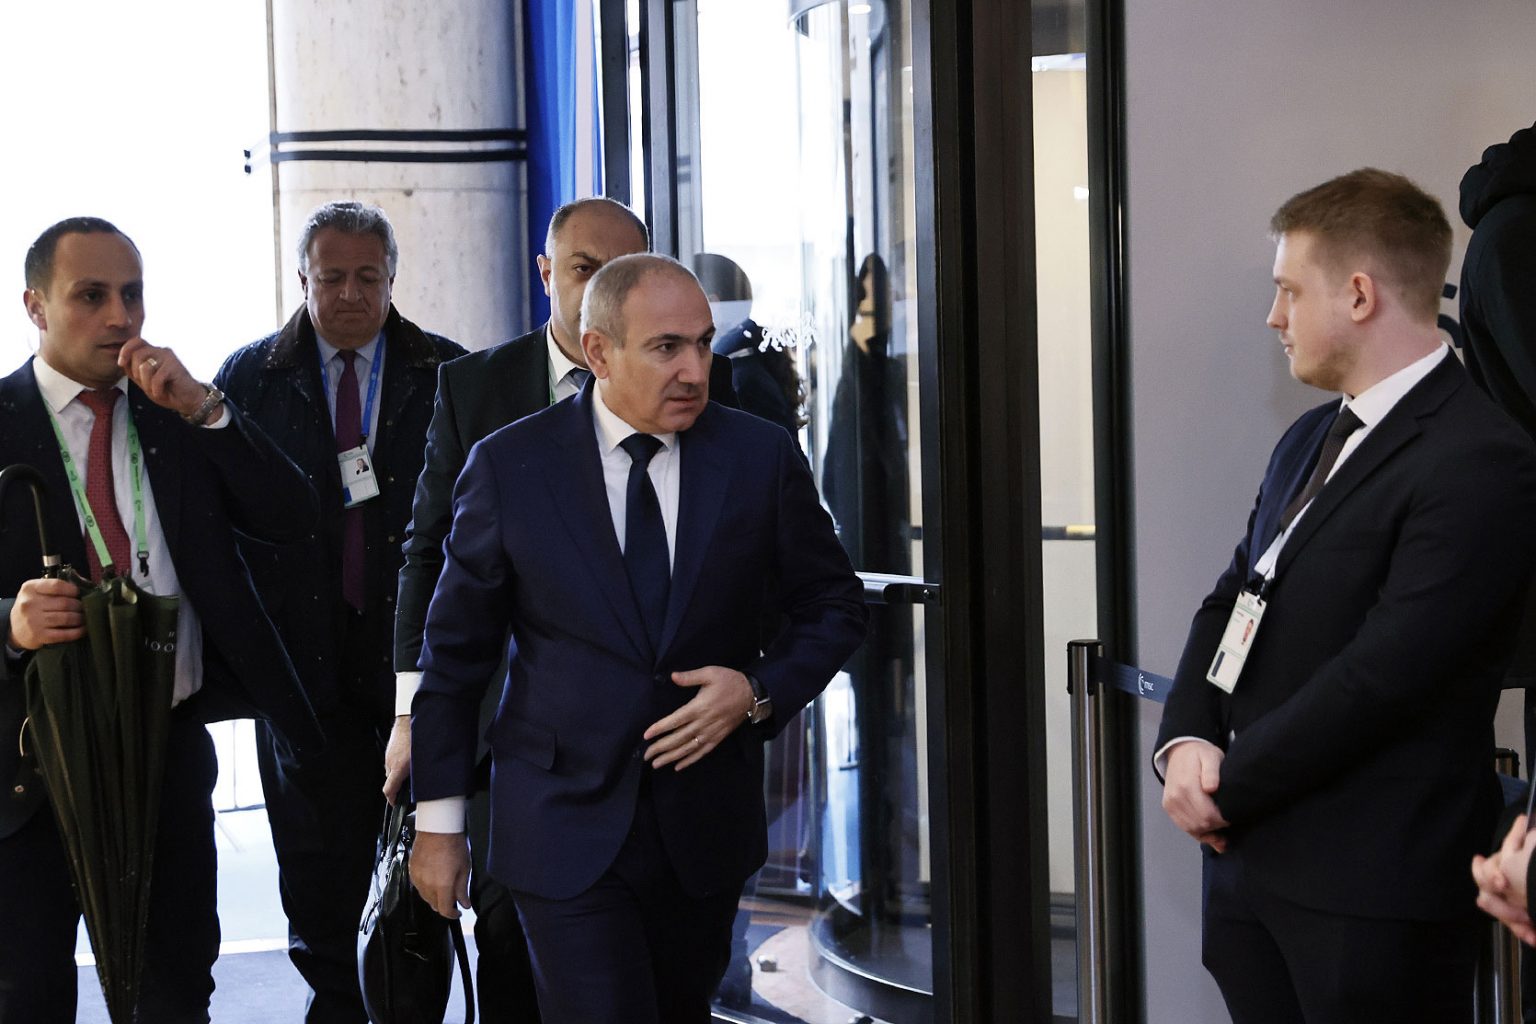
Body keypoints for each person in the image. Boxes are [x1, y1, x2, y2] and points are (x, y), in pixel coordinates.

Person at [407, 253, 866, 1024]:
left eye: (703, 344)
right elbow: (454, 660)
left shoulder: (758, 457)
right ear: (599, 352)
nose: (695, 370)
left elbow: (834, 604)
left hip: (704, 829)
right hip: (559, 825)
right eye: (666, 348)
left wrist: (756, 691)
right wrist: (439, 827)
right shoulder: (511, 467)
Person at [1154, 169, 1536, 1024]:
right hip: (1252, 870)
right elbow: (1233, 596)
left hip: (1372, 895)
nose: (1274, 316)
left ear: (1359, 295)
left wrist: (1228, 785)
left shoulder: (1480, 455)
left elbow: (1388, 672)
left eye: (1290, 290)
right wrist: (1185, 738)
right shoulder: (1306, 437)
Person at [388, 196, 737, 1021]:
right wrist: (415, 723)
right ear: (548, 274)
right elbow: (431, 562)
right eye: (585, 269)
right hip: (513, 741)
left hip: (673, 769)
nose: (603, 286)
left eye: (624, 268)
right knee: (513, 958)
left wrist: (752, 686)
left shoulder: (711, 408)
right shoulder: (478, 394)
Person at [0, 217, 322, 1022]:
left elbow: (293, 518)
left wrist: (207, 410)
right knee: (27, 991)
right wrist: (8, 621)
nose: (121, 317)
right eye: (92, 296)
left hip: (165, 747)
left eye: (132, 294)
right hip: (31, 763)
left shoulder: (173, 412)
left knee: (173, 992)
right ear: (36, 306)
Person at [214, 201, 464, 1022]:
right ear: (301, 279)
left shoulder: (449, 374)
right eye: (332, 277)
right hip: (299, 678)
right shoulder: (249, 379)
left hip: (414, 676)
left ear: (393, 278)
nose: (351, 294)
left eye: (368, 276)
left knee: (414, 892)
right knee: (318, 890)